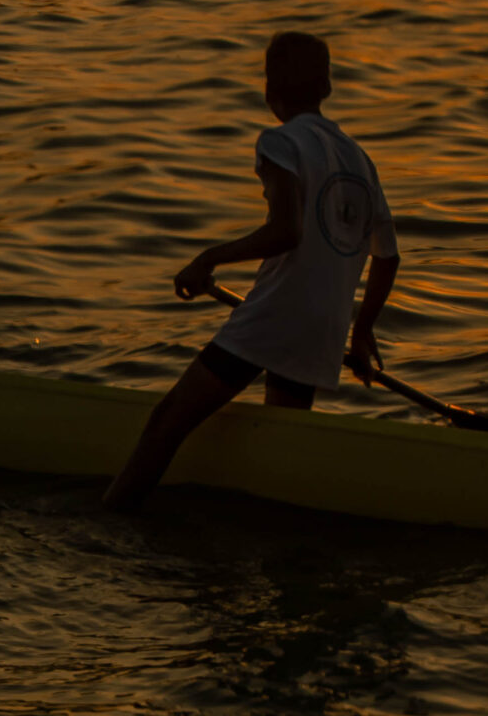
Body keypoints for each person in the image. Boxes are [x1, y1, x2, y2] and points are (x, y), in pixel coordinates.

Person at [103, 31, 398, 512]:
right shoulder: (361, 159)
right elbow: (388, 256)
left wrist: (208, 258)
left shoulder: (280, 141)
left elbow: (286, 231)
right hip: (324, 327)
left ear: (269, 92)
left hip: (275, 317)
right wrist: (361, 329)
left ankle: (110, 519)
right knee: (278, 445)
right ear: (327, 88)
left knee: (168, 421)